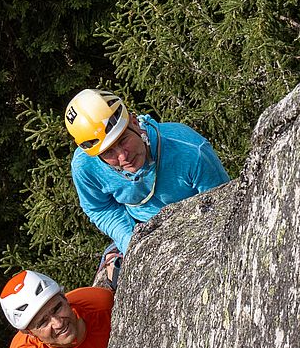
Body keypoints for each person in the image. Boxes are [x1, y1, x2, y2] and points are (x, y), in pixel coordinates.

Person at [64, 89, 230, 254]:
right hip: (140, 229)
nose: (122, 157)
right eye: (108, 152)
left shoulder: (191, 151)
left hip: (197, 224)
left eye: (123, 140)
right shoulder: (85, 166)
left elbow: (222, 206)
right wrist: (128, 240)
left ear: (134, 123)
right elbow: (99, 208)